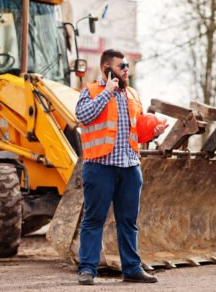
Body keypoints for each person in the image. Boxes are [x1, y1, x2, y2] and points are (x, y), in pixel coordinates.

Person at [75, 49, 167, 285]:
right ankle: (87, 269)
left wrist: (152, 132)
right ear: (107, 69)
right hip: (100, 166)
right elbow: (82, 116)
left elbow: (136, 129)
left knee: (128, 221)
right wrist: (107, 92)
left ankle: (132, 268)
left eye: (127, 66)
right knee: (94, 219)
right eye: (122, 66)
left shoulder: (133, 95)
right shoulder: (91, 90)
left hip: (130, 166)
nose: (127, 69)